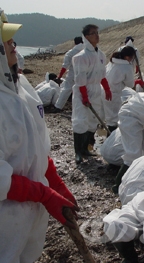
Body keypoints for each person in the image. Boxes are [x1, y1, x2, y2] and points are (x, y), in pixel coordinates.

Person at [0, 9, 78, 262]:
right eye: (6, 40)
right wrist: (44, 194)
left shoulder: (21, 87)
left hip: (30, 214)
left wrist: (55, 183)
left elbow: (37, 147)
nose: (13, 44)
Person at [71, 24, 112, 164]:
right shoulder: (80, 57)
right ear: (86, 37)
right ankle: (78, 151)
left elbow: (102, 75)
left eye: (97, 32)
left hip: (96, 90)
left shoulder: (101, 55)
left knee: (92, 121)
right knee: (80, 120)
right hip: (83, 90)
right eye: (93, 33)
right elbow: (80, 79)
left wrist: (107, 89)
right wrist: (84, 96)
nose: (97, 35)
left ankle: (85, 149)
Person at [103, 46, 137, 133]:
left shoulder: (112, 61)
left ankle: (94, 137)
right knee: (113, 120)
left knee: (104, 116)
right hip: (112, 94)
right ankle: (111, 140)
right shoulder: (127, 67)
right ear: (127, 57)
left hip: (102, 90)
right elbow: (130, 84)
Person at [52, 36, 84, 113]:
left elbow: (65, 66)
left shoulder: (71, 53)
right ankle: (80, 108)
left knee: (66, 90)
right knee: (82, 91)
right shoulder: (86, 51)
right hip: (84, 75)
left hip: (72, 74)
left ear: (74, 42)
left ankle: (58, 107)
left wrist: (59, 76)